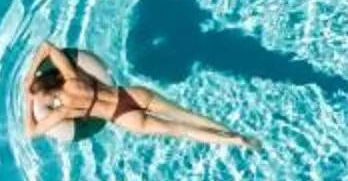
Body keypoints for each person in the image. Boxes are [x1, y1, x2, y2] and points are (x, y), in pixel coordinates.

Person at [22, 41, 254, 148]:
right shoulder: (72, 78)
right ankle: (232, 131)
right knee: (186, 115)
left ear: (47, 93)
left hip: (123, 117)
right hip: (132, 95)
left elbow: (31, 133)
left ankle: (234, 142)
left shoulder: (64, 110)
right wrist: (32, 73)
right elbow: (46, 46)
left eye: (37, 96)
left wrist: (26, 101)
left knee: (180, 130)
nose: (36, 99)